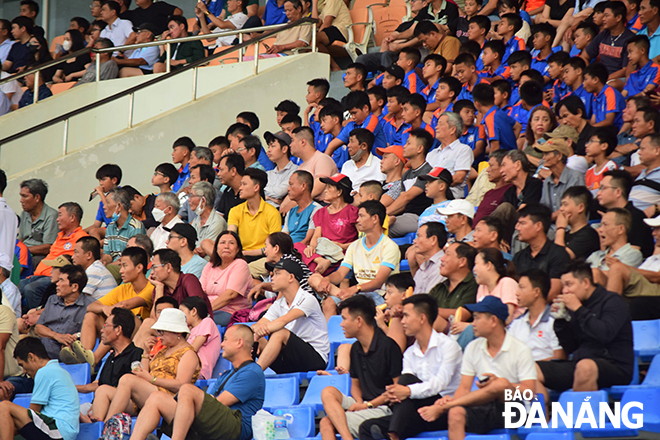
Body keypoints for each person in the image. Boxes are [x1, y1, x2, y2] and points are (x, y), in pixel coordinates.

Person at [416, 296, 537, 438]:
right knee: (456, 413)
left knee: (501, 384)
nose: (473, 323)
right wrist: (455, 402)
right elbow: (464, 388)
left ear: (493, 321)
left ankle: (444, 407)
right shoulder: (473, 347)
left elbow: (529, 391)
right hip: (483, 405)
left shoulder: (520, 349)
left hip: (515, 409)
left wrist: (504, 385)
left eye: (477, 318)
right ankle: (449, 407)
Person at [130, 324, 264, 440]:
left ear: (239, 342)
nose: (222, 344)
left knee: (187, 389)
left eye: (225, 340)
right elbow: (208, 402)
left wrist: (188, 402)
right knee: (156, 397)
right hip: (213, 422)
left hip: (236, 428)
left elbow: (219, 402)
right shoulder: (227, 374)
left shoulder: (251, 372)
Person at [358, 294, 462, 440]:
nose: (403, 321)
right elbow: (404, 391)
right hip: (415, 411)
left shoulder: (448, 346)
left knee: (406, 380)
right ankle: (395, 432)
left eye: (406, 316)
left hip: (442, 409)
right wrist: (398, 392)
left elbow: (439, 384)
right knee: (366, 428)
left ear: (422, 318)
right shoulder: (409, 353)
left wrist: (406, 390)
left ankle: (394, 435)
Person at [536, 263, 634, 397]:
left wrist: (579, 310)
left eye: (569, 284)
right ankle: (542, 416)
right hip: (580, 363)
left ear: (586, 283)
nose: (565, 291)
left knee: (585, 367)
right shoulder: (576, 306)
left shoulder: (613, 302)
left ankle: (579, 417)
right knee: (531, 370)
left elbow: (605, 334)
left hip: (615, 365)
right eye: (563, 286)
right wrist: (561, 321)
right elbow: (571, 347)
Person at [91, 308, 200, 422]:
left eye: (162, 331)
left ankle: (107, 424)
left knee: (127, 379)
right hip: (149, 394)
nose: (159, 335)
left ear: (177, 332)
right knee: (102, 390)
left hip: (170, 400)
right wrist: (146, 354)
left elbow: (181, 384)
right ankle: (98, 427)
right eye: (158, 331)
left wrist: (152, 379)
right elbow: (145, 374)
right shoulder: (162, 351)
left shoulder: (188, 353)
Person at [319, 295, 403, 440]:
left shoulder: (388, 347)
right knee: (328, 392)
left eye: (344, 319)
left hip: (384, 407)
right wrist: (359, 403)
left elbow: (398, 388)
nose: (341, 324)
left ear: (358, 321)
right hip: (364, 403)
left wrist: (369, 405)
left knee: (326, 422)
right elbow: (355, 385)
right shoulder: (356, 349)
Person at [309, 201, 400, 319]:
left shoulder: (389, 246)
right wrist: (327, 279)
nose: (357, 220)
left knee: (355, 304)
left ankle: (347, 299)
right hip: (358, 294)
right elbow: (340, 273)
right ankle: (331, 336)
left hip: (379, 296)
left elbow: (378, 282)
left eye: (361, 216)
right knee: (322, 291)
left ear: (375, 218)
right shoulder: (354, 246)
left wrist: (354, 289)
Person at [74, 247, 154, 367]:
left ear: (139, 268)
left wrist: (110, 310)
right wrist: (104, 308)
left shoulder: (151, 288)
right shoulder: (123, 288)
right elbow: (90, 307)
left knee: (122, 315)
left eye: (125, 266)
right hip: (118, 332)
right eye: (120, 266)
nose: (121, 271)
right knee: (92, 315)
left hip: (138, 336)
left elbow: (126, 305)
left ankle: (93, 361)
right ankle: (85, 357)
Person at [253, 259, 330, 373]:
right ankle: (240, 375)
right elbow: (258, 325)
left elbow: (283, 321)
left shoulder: (307, 299)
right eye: (273, 274)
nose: (272, 278)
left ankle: (254, 374)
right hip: (290, 358)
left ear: (291, 277)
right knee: (248, 337)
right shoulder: (279, 304)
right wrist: (255, 333)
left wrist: (262, 330)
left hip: (315, 358)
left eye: (277, 273)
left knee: (280, 333)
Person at [0, 338, 79, 440]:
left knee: (5, 406)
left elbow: (33, 411)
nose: (24, 371)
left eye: (22, 365)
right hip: (63, 431)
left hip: (58, 430)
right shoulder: (60, 371)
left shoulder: (44, 372)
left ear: (31, 357)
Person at [19, 202, 88, 312]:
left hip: (55, 277)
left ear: (72, 217)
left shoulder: (81, 238)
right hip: (38, 275)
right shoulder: (59, 236)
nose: (57, 219)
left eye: (60, 215)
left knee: (31, 289)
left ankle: (37, 319)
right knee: (17, 286)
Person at [30, 264, 92, 362]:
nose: (57, 284)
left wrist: (72, 339)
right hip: (43, 348)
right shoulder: (52, 299)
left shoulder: (89, 305)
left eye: (61, 280)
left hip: (68, 352)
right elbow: (38, 328)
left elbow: (86, 335)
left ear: (75, 287)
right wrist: (57, 336)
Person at [299, 174, 358, 274]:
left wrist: (343, 246)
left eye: (329, 187)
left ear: (339, 192)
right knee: (297, 246)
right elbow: (316, 236)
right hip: (321, 253)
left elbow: (362, 239)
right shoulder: (320, 212)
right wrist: (312, 247)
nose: (325, 191)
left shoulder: (353, 212)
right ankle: (320, 261)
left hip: (340, 255)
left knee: (309, 271)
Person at [512, 203, 571, 302]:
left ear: (538, 226)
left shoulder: (558, 254)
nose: (517, 227)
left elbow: (553, 292)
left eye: (522, 223)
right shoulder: (519, 257)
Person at [509, 269, 565, 361]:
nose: (517, 293)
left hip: (546, 372)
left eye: (521, 287)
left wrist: (528, 367)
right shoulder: (516, 322)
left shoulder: (555, 321)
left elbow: (559, 356)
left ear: (536, 292)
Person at [200, 231, 253, 326]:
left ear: (238, 249)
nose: (226, 246)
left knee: (200, 323)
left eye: (231, 243)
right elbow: (200, 292)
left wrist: (204, 311)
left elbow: (231, 294)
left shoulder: (240, 264)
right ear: (216, 248)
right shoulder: (210, 265)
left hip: (231, 312)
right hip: (210, 310)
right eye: (222, 243)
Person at [386, 129, 434, 237]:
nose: (404, 146)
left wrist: (383, 213)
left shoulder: (427, 171)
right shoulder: (406, 175)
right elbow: (402, 205)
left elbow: (407, 197)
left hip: (419, 217)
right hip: (405, 216)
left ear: (419, 149)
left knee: (381, 228)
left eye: (408, 143)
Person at [228, 168, 282, 261]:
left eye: (244, 184)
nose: (240, 188)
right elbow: (231, 234)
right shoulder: (235, 211)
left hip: (264, 257)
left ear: (256, 187)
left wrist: (244, 253)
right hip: (241, 256)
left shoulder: (272, 212)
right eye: (241, 184)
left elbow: (274, 247)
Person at [429, 243, 479, 332]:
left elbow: (462, 315)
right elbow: (423, 306)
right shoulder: (440, 287)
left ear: (462, 261)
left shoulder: (474, 284)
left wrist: (429, 310)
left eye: (447, 254)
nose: (442, 259)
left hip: (458, 333)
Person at [149, 249, 213, 315]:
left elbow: (197, 309)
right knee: (148, 322)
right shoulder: (159, 288)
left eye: (154, 267)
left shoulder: (189, 280)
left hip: (195, 324)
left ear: (168, 267)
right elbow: (154, 319)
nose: (151, 273)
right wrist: (159, 289)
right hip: (173, 324)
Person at [589, 209, 644, 282]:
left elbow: (616, 279)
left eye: (605, 224)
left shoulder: (632, 254)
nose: (600, 229)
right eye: (601, 225)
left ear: (620, 229)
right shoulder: (596, 255)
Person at [427, 113, 473, 198]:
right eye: (437, 124)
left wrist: (435, 187)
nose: (436, 127)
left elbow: (459, 178)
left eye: (440, 124)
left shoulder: (463, 150)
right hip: (428, 195)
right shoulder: (431, 154)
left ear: (452, 130)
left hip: (450, 197)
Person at [538, 138, 587, 217]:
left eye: (546, 154)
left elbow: (573, 209)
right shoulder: (547, 181)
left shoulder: (576, 177)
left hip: (570, 227)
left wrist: (548, 218)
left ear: (559, 156)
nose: (543, 158)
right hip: (550, 226)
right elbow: (544, 208)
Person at [17, 179, 58, 266]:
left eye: (25, 196)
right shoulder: (24, 214)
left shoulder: (51, 216)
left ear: (37, 198)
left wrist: (21, 250)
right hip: (23, 252)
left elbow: (48, 247)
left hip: (39, 256)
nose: (21, 200)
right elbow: (21, 238)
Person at [180, 296, 221, 380]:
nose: (180, 316)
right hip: (187, 367)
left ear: (194, 311)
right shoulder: (190, 330)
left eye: (182, 312)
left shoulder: (207, 322)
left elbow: (193, 349)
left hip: (199, 370)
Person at [555, 186, 600, 260]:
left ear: (581, 207)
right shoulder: (565, 234)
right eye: (561, 205)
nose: (561, 209)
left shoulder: (588, 235)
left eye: (565, 204)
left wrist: (560, 228)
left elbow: (559, 259)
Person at [102, 188, 147, 263]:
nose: (104, 207)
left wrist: (111, 267)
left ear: (119, 206)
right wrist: (104, 262)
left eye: (108, 203)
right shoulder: (110, 227)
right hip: (113, 266)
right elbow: (107, 254)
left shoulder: (135, 227)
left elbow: (133, 258)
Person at [406, 222, 447, 295]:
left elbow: (428, 299)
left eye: (419, 236)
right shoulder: (423, 267)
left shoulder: (442, 265)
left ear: (433, 240)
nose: (415, 241)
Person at [341, 129, 386, 194]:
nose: (348, 145)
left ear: (363, 146)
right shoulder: (346, 165)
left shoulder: (379, 165)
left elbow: (378, 191)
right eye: (349, 141)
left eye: (352, 141)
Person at [282, 170, 322, 244]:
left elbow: (307, 240)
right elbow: (284, 237)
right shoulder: (291, 211)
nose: (288, 189)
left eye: (291, 184)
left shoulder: (317, 210)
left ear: (303, 186)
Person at [0, 295, 27, 401]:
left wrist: (0, 381)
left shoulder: (3, 311)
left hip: (16, 376)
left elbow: (0, 347)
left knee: (2, 392)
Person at [190, 181, 227, 258]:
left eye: (192, 196)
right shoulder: (197, 220)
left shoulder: (217, 222)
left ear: (203, 201)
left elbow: (204, 253)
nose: (189, 200)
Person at [264, 131, 298, 208]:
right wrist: (268, 197)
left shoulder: (295, 171)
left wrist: (264, 192)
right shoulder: (268, 173)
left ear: (284, 149)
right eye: (268, 147)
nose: (269, 150)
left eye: (273, 146)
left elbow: (279, 192)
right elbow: (257, 191)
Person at [215, 153, 246, 219]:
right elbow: (219, 218)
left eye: (221, 170)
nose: (218, 174)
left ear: (233, 171)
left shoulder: (251, 191)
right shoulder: (227, 191)